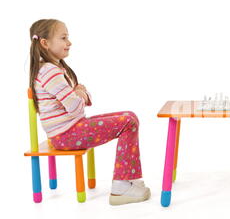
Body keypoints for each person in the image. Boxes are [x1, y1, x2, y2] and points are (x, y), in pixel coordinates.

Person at [29, 19, 150, 206]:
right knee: (128, 121)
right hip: (67, 135)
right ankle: (121, 187)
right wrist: (79, 93)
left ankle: (128, 179)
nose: (69, 42)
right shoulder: (50, 72)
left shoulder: (53, 69)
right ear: (45, 43)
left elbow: (79, 100)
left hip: (70, 129)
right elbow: (75, 107)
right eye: (63, 38)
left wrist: (80, 94)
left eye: (67, 37)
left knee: (130, 116)